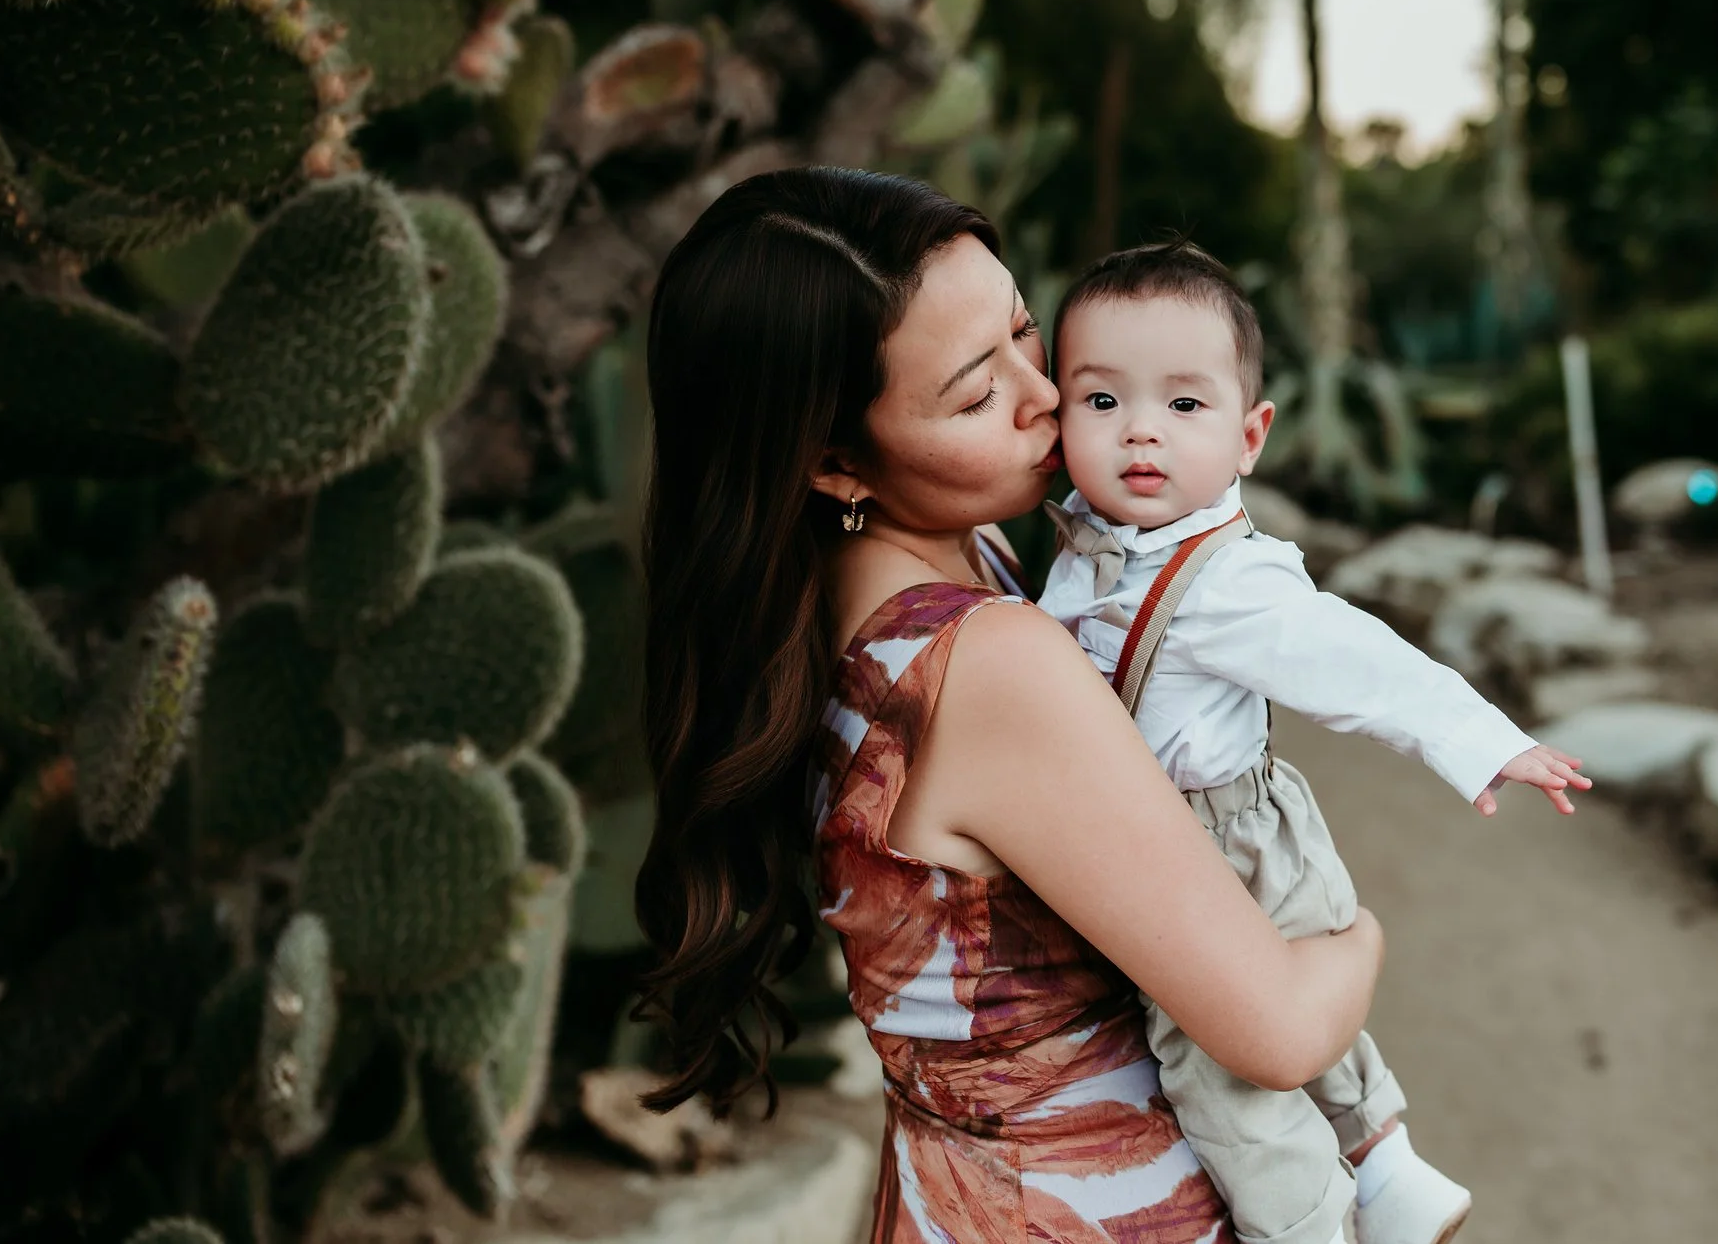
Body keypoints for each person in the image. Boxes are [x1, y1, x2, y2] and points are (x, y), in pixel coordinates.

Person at [627, 168, 1385, 1243]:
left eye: (1028, 333)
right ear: (838, 463)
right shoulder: (984, 663)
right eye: (978, 392)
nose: (1046, 395)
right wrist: (1360, 937)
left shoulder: (846, 592)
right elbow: (1278, 1028)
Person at [1038, 241, 1594, 1244]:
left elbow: (1359, 665)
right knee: (1306, 1039)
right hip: (1187, 836)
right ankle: (1392, 1171)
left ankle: (1309, 1229)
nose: (1141, 434)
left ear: (1251, 435)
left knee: (1216, 1070)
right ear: (1056, 415)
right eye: (1102, 401)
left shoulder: (1228, 580)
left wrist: (1481, 742)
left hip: (1217, 846)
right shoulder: (1079, 544)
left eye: (1185, 405)